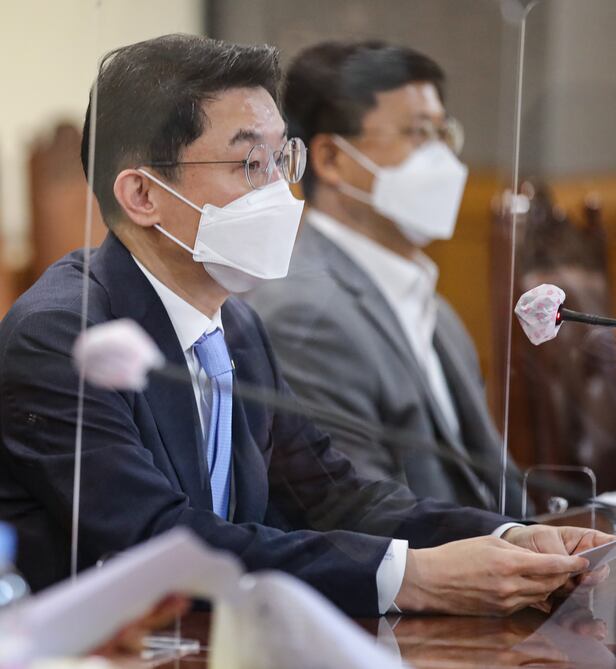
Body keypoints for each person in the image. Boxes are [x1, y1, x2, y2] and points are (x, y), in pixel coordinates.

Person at [0, 34, 608, 619]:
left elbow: (334, 495)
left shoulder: (236, 326)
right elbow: (156, 542)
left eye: (281, 157)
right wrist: (415, 577)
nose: (281, 190)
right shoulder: (62, 337)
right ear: (141, 194)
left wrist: (508, 537)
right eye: (250, 162)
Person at [247, 40, 525, 515]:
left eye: (444, 133)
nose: (442, 159)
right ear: (331, 159)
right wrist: (513, 541)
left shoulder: (434, 307)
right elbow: (366, 514)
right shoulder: (304, 314)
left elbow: (494, 484)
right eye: (417, 133)